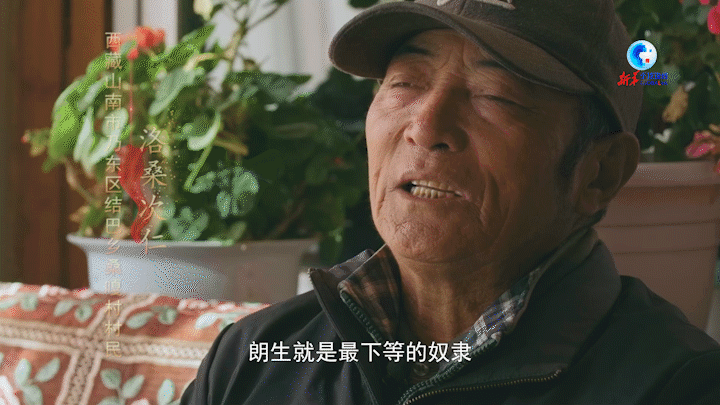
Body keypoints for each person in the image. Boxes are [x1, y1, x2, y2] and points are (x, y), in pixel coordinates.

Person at [181, 0, 720, 403]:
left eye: (496, 95)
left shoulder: (678, 385)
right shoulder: (253, 359)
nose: (426, 126)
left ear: (599, 173)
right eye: (405, 82)